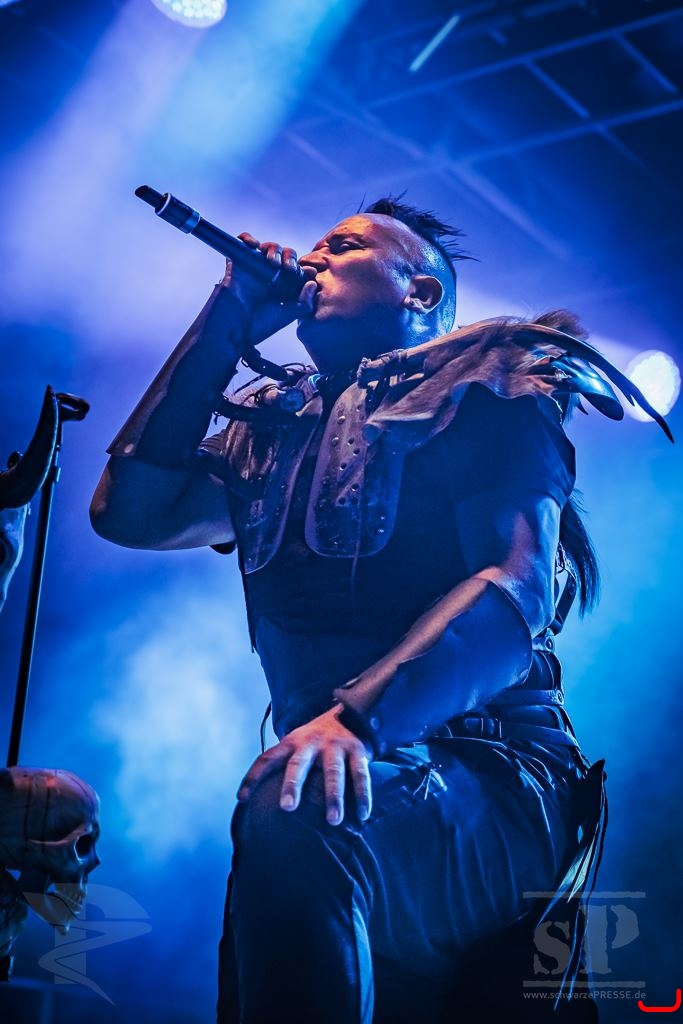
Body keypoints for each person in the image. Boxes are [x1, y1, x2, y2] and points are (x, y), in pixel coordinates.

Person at [91, 197, 667, 1023]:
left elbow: (516, 586)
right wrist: (223, 321)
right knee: (297, 815)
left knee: (297, 808)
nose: (312, 258)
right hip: (342, 771)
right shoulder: (273, 424)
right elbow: (129, 514)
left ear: (418, 292)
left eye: (345, 246)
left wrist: (355, 722)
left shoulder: (490, 379)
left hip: (491, 771)